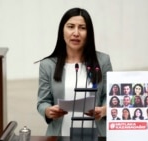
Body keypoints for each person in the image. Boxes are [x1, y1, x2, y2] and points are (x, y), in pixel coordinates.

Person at [35, 7, 112, 137]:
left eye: (82, 28)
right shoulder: (47, 65)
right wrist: (48, 111)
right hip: (60, 134)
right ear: (62, 30)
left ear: (89, 33)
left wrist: (104, 110)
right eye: (71, 27)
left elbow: (110, 96)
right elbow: (42, 102)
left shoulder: (103, 60)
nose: (76, 33)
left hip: (96, 134)